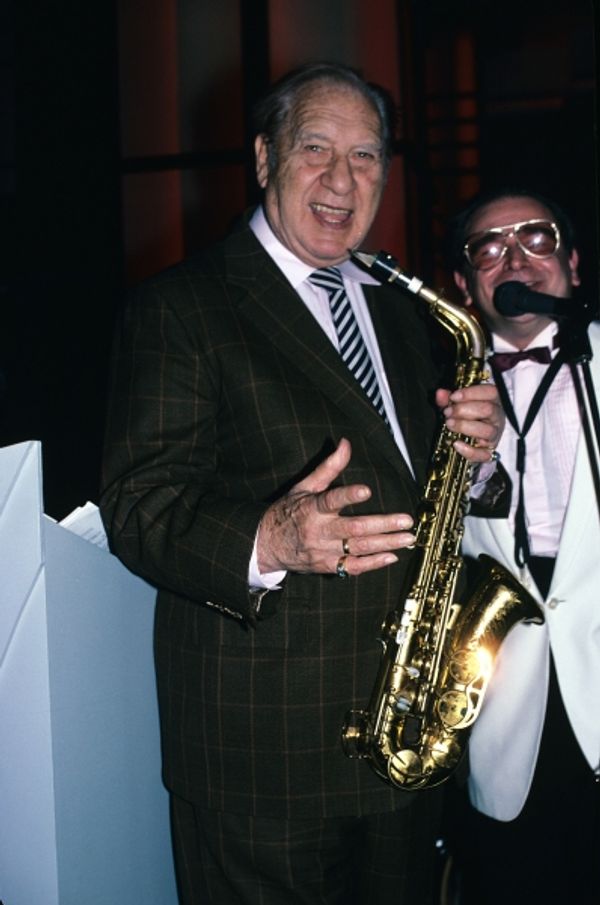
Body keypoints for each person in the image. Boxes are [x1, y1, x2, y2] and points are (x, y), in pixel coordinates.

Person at [99, 62, 503, 905]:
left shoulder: (402, 308)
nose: (341, 180)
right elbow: (139, 509)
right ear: (263, 157)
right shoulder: (183, 306)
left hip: (401, 740)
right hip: (263, 759)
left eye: (366, 156)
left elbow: (424, 492)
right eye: (315, 148)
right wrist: (272, 538)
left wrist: (477, 459)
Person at [445, 187, 600, 905]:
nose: (516, 258)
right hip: (508, 719)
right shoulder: (435, 389)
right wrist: (473, 470)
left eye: (536, 238)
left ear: (573, 263)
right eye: (490, 247)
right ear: (464, 284)